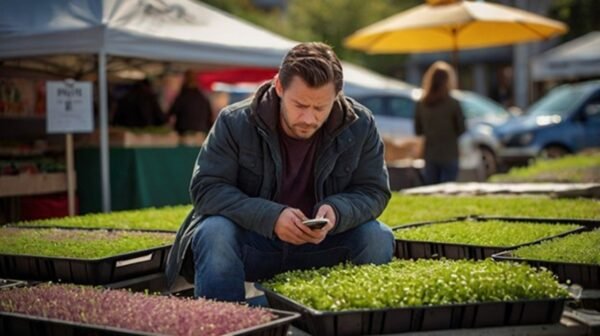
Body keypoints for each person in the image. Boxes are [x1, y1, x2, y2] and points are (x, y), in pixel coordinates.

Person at [165, 42, 394, 302]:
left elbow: (374, 191)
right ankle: (224, 321)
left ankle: (350, 321)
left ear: (337, 95)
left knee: (377, 237)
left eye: (320, 108)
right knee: (214, 231)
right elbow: (207, 189)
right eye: (299, 105)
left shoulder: (360, 124)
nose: (309, 118)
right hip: (255, 243)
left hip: (323, 243)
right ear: (279, 86)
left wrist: (338, 212)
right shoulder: (234, 121)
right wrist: (271, 217)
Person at [414, 61, 466, 185]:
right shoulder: (453, 103)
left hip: (430, 153)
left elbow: (418, 130)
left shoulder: (422, 104)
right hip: (450, 153)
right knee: (448, 189)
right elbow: (461, 129)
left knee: (431, 189)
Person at [168, 70, 213, 135]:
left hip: (184, 133)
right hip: (201, 133)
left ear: (186, 79)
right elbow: (210, 117)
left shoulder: (183, 96)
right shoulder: (202, 97)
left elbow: (171, 112)